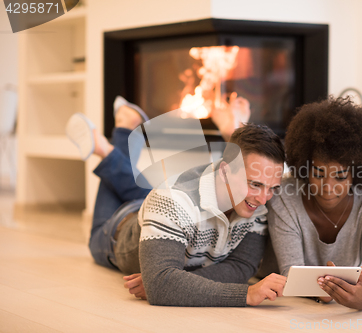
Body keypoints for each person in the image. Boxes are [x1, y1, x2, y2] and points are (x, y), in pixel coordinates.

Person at [66, 96, 287, 307]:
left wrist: (178, 281)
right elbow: (161, 286)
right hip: (117, 232)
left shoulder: (256, 203)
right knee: (101, 232)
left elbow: (241, 267)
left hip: (162, 210)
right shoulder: (171, 201)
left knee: (147, 194)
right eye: (255, 184)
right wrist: (245, 294)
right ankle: (111, 143)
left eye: (272, 188)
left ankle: (125, 127)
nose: (263, 199)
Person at [265, 95, 362, 310]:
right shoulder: (284, 195)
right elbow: (290, 271)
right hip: (279, 296)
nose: (328, 186)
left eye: (341, 177)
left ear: (357, 174)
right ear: (305, 168)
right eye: (318, 173)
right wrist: (319, 293)